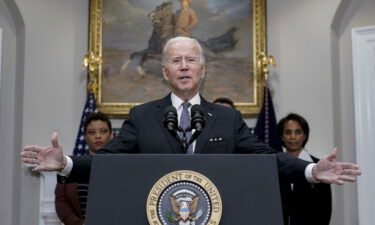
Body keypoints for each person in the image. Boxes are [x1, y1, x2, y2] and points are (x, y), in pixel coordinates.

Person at [21, 37, 360, 192]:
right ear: (165, 72)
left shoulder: (227, 119)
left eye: (191, 60)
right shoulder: (142, 116)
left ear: (203, 69)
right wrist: (65, 163)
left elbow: (266, 159)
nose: (184, 66)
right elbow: (109, 161)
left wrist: (312, 169)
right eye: (176, 61)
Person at [54, 112, 113, 225]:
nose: (98, 136)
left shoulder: (120, 166)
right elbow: (61, 201)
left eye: (103, 131)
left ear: (111, 134)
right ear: (85, 137)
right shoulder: (71, 165)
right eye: (91, 132)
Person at [277, 113, 331, 225]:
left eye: (298, 132)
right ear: (281, 136)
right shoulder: (274, 166)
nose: (293, 137)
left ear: (304, 136)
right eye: (288, 132)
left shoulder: (318, 166)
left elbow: (325, 208)